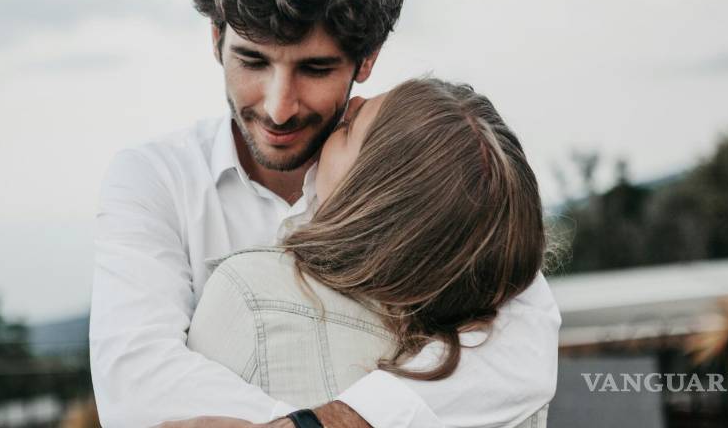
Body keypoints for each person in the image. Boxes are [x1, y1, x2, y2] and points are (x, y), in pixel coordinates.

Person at [89, 0, 561, 427]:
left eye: (314, 69)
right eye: (252, 60)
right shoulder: (154, 179)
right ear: (217, 39)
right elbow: (135, 382)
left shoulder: (412, 166)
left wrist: (327, 424)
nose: (278, 106)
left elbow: (522, 338)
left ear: (367, 60)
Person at [187, 78, 551, 428]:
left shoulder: (250, 296)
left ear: (366, 205)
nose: (352, 103)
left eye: (348, 130)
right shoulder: (508, 331)